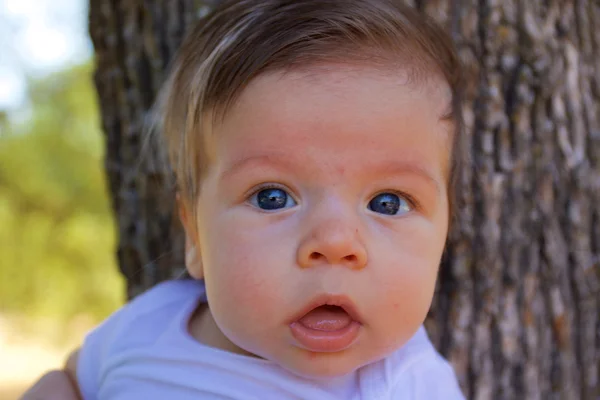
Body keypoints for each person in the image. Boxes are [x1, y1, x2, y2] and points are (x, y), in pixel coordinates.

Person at [22, 0, 467, 398]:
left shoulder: (407, 384)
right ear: (195, 235)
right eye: (272, 197)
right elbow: (69, 382)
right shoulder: (146, 327)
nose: (334, 241)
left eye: (388, 202)